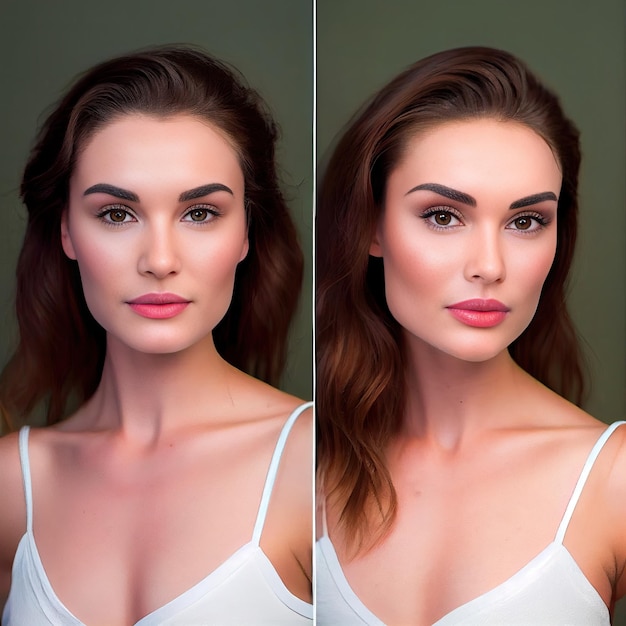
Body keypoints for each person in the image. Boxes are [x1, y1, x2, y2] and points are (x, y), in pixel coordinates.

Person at [0, 45, 312, 625]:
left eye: (200, 213)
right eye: (117, 214)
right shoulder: (12, 488)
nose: (160, 260)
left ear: (247, 232)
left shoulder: (318, 462)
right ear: (67, 230)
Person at [316, 46, 626, 625]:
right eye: (443, 216)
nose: (489, 266)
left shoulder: (613, 482)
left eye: (525, 221)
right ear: (370, 225)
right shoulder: (300, 473)